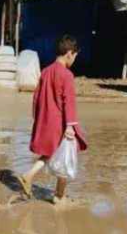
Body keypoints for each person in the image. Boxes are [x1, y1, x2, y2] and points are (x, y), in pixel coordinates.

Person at [18, 34, 88, 205]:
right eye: (75, 56)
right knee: (65, 160)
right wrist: (70, 126)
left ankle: (29, 176)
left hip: (47, 120)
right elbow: (68, 102)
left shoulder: (46, 71)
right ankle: (59, 196)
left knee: (50, 154)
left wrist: (38, 118)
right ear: (69, 53)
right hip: (61, 123)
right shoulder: (67, 75)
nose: (75, 60)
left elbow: (36, 97)